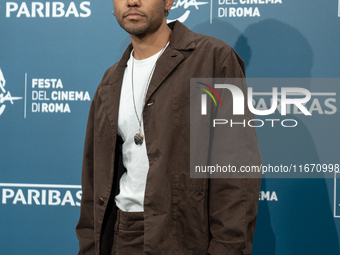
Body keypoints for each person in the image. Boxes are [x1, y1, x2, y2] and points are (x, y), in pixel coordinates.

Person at [76, 0, 262, 253]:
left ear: (168, 1)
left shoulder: (213, 59)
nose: (132, 1)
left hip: (185, 237)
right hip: (122, 234)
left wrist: (227, 247)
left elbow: (235, 167)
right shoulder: (110, 80)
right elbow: (93, 175)